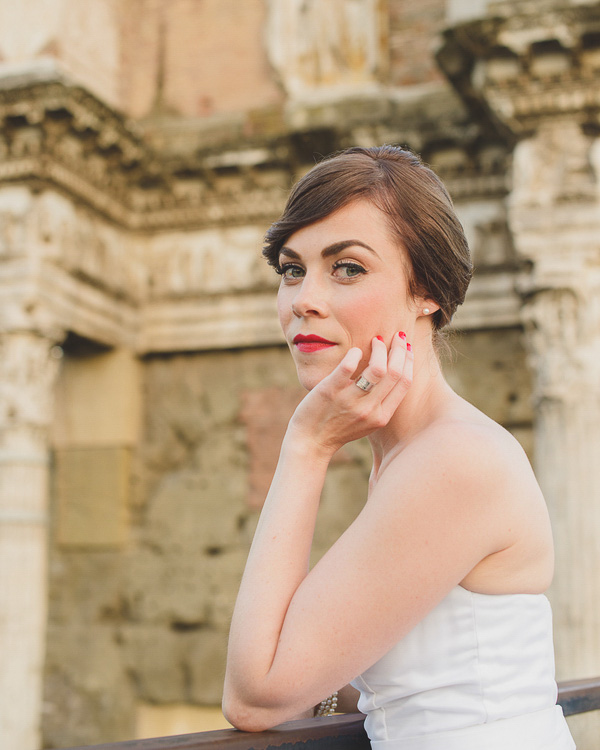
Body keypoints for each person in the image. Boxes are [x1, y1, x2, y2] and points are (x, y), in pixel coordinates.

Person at [222, 145, 575, 749]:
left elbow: (254, 697)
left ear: (426, 291)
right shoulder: (411, 454)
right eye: (291, 269)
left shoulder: (455, 462)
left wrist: (305, 446)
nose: (303, 298)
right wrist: (330, 688)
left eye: (348, 268)